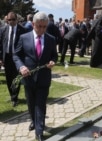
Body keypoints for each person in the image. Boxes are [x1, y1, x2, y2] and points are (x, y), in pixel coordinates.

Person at [13, 12, 58, 141]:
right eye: (39, 26)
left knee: (40, 104)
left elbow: (54, 55)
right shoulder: (24, 38)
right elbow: (16, 55)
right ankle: (34, 120)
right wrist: (21, 67)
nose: (42, 30)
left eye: (44, 27)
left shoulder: (51, 39)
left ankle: (39, 131)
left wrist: (52, 61)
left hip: (44, 78)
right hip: (28, 78)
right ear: (33, 24)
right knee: (31, 103)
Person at [0, 11, 27, 107]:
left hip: (17, 58)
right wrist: (0, 58)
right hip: (7, 57)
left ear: (17, 19)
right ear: (7, 20)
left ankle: (14, 98)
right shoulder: (3, 30)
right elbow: (1, 45)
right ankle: (12, 95)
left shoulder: (23, 30)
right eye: (9, 20)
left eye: (13, 19)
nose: (11, 21)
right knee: (8, 78)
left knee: (16, 78)